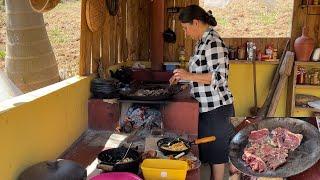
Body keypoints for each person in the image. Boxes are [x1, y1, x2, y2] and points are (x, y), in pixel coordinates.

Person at [169, 5, 235, 180]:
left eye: (185, 28)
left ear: (196, 23)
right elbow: (200, 75)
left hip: (217, 109)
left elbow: (220, 77)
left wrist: (188, 74)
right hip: (207, 108)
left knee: (218, 157)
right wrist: (183, 79)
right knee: (212, 155)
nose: (185, 33)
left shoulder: (213, 42)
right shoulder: (202, 43)